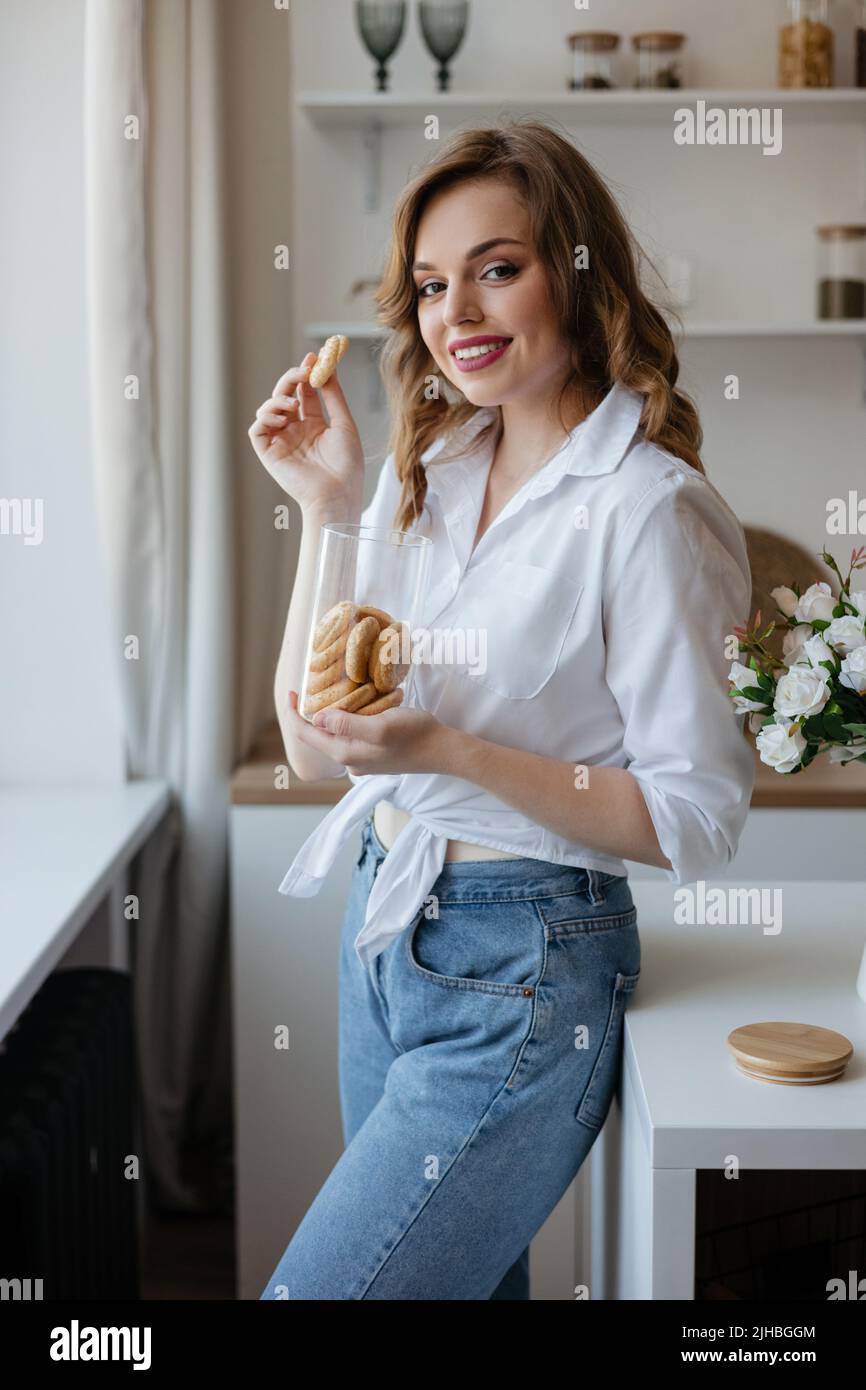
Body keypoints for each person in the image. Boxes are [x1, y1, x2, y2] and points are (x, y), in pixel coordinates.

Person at [248, 120, 755, 1300]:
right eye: (431, 284)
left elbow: (695, 813)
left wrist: (451, 751)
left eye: (496, 268)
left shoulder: (645, 509)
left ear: (575, 273)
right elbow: (314, 745)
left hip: (525, 968)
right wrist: (324, 510)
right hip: (382, 926)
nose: (455, 313)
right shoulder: (431, 471)